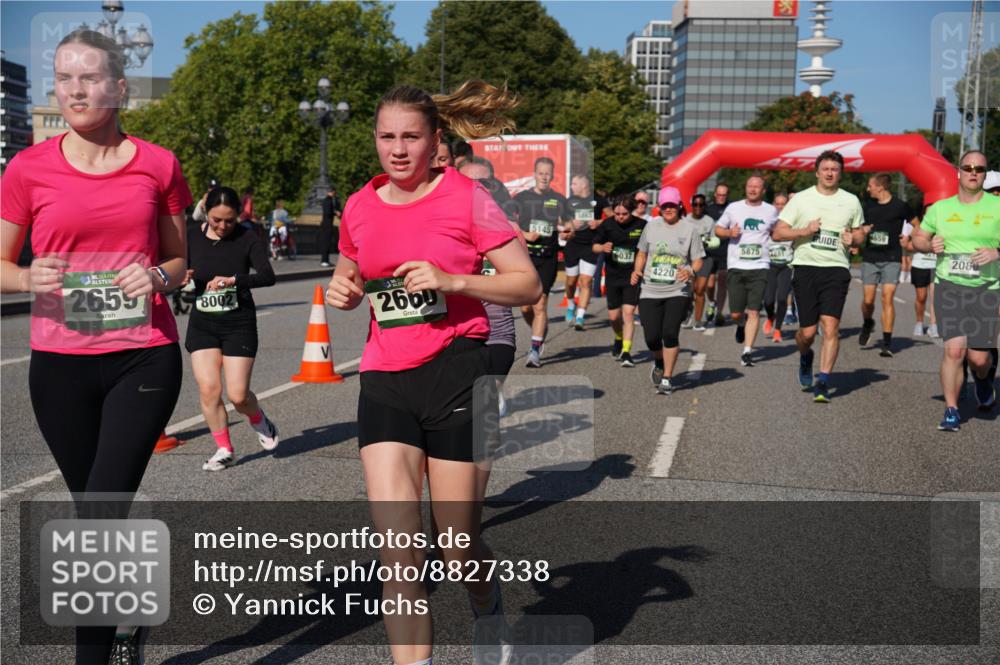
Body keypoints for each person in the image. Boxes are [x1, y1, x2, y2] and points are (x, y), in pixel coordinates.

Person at [324, 81, 539, 665]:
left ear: (434, 139)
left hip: (456, 372)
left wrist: (455, 281)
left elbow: (527, 284)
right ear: (374, 139)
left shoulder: (467, 198)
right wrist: (343, 291)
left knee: (456, 543)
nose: (398, 150)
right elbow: (350, 275)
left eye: (411, 137)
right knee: (398, 552)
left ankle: (483, 595)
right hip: (386, 379)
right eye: (387, 136)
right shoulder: (360, 204)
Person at [0, 29, 191, 663]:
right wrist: (27, 277)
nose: (75, 90)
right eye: (64, 78)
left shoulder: (158, 163)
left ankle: (94, 655)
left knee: (102, 511)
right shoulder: (28, 168)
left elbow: (179, 261)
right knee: (93, 513)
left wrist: (158, 276)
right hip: (58, 366)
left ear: (119, 86)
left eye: (89, 77)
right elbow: (0, 264)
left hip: (143, 356)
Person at [184, 186, 278, 471]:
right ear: (206, 214)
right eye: (216, 220)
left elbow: (267, 276)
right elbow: (178, 270)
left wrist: (234, 280)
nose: (223, 226)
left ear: (238, 216)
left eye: (229, 220)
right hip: (203, 323)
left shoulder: (247, 238)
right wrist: (182, 277)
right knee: (209, 389)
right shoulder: (190, 237)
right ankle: (224, 448)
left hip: (238, 322)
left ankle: (259, 419)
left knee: (237, 395)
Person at [911, 150, 1000, 431]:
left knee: (979, 358)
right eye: (968, 167)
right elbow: (918, 238)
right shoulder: (941, 208)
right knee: (953, 351)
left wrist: (996, 251)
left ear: (985, 175)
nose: (974, 172)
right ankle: (951, 409)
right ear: (958, 172)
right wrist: (928, 245)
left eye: (979, 169)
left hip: (985, 289)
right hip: (949, 287)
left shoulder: (997, 207)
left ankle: (983, 380)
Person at [773, 150, 865, 402]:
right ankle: (805, 355)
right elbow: (778, 233)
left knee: (831, 326)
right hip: (805, 268)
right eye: (825, 169)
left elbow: (859, 234)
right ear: (817, 172)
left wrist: (853, 238)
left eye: (834, 169)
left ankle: (823, 381)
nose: (830, 173)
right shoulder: (801, 199)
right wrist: (805, 229)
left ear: (840, 173)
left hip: (836, 269)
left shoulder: (851, 201)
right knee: (808, 333)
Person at [458, 156, 526, 417]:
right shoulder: (443, 229)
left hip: (495, 333)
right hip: (453, 336)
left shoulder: (508, 230)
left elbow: (526, 286)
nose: (476, 189)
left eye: (483, 183)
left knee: (480, 416)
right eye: (468, 182)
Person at [632, 186, 704, 394]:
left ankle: (667, 378)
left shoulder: (689, 229)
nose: (669, 209)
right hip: (650, 289)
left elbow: (698, 259)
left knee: (670, 333)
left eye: (672, 205)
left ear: (679, 205)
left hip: (677, 290)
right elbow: (642, 253)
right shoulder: (651, 227)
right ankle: (659, 360)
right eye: (665, 206)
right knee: (652, 337)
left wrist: (690, 270)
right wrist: (637, 271)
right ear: (660, 207)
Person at [514, 156, 574, 367]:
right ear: (534, 174)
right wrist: (525, 234)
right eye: (541, 173)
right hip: (525, 258)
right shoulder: (521, 198)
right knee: (525, 309)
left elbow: (569, 225)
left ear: (553, 176)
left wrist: (568, 233)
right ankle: (538, 333)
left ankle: (534, 351)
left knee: (540, 305)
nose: (544, 177)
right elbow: (507, 223)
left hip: (548, 258)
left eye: (548, 173)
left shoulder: (559, 200)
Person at [714, 174, 778, 367]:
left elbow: (778, 231)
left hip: (760, 266)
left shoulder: (771, 210)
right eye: (750, 186)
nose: (752, 189)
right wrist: (728, 233)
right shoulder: (734, 208)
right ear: (745, 188)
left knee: (754, 311)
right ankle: (740, 325)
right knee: (735, 313)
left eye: (756, 187)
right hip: (736, 266)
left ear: (763, 190)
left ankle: (747, 351)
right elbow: (718, 229)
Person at [858, 173, 918, 357]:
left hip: (892, 257)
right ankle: (868, 322)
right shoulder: (867, 206)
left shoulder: (900, 206)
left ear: (880, 187)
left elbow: (918, 225)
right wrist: (862, 231)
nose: (868, 189)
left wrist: (909, 238)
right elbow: (856, 228)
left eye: (870, 186)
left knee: (887, 297)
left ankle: (887, 342)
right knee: (868, 301)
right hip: (870, 257)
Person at [592, 195, 646, 367]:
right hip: (613, 274)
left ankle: (626, 352)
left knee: (628, 313)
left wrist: (639, 270)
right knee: (614, 317)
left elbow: (647, 250)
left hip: (632, 275)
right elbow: (594, 246)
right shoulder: (607, 224)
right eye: (617, 213)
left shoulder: (642, 225)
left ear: (631, 212)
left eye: (624, 214)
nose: (620, 217)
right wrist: (602, 247)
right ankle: (618, 336)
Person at [564, 174, 601, 330]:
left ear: (584, 185)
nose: (571, 186)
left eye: (574, 183)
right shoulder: (569, 202)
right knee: (571, 282)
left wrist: (598, 222)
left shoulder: (598, 200)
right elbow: (562, 221)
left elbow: (612, 218)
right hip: (573, 245)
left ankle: (580, 317)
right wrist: (571, 224)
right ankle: (571, 304)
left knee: (586, 281)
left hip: (590, 246)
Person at [762, 192, 794, 343]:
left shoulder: (793, 222)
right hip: (770, 265)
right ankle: (770, 317)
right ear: (773, 205)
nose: (780, 207)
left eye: (783, 204)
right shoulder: (768, 221)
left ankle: (778, 329)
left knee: (782, 298)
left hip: (786, 266)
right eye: (778, 204)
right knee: (768, 301)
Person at [902, 212, 939, 338]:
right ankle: (919, 323)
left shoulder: (942, 228)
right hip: (920, 265)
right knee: (921, 297)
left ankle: (934, 326)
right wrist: (908, 243)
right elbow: (909, 247)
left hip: (936, 266)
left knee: (935, 298)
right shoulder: (917, 230)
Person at [680, 194, 714, 331]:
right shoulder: (685, 220)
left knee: (700, 289)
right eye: (696, 205)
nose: (698, 207)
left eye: (701, 205)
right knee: (690, 290)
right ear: (692, 205)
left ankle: (698, 321)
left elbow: (715, 240)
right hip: (689, 259)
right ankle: (689, 310)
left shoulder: (709, 221)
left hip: (705, 258)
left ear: (704, 206)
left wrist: (707, 242)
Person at [704, 182, 731, 326]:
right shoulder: (708, 209)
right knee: (709, 283)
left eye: (724, 195)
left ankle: (719, 313)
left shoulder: (731, 208)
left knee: (722, 282)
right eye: (719, 194)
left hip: (726, 251)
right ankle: (711, 302)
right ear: (715, 194)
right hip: (710, 252)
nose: (721, 197)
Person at [319, 186, 342, 267]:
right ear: (331, 192)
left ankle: (326, 260)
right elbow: (327, 212)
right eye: (334, 192)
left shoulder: (331, 200)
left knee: (328, 242)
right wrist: (335, 212)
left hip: (328, 224)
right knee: (326, 242)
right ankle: (324, 260)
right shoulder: (327, 201)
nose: (334, 194)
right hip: (326, 224)